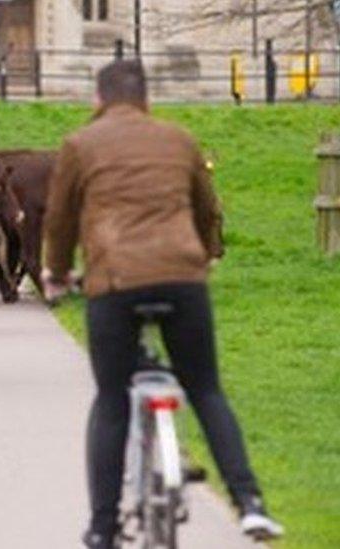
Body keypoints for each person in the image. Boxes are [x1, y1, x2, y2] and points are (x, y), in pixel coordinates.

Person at [42, 60, 284, 548]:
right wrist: (207, 254)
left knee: (111, 401)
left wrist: (57, 272)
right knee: (206, 390)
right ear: (147, 101)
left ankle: (103, 527)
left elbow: (61, 220)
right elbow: (206, 207)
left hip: (114, 281)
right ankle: (250, 505)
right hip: (182, 278)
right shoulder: (180, 139)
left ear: (98, 101)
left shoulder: (79, 145)